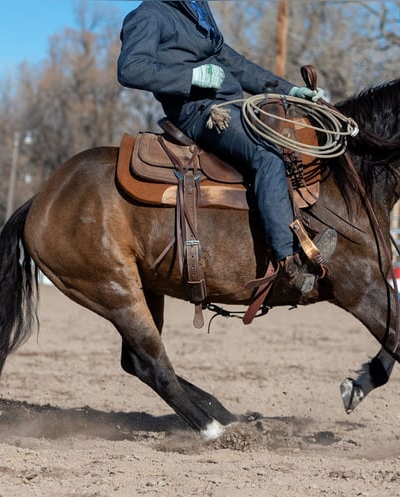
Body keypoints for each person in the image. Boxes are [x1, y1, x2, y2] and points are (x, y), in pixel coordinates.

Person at [117, 0, 336, 293]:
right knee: (267, 155)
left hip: (231, 104)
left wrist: (290, 91)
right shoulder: (149, 14)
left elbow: (234, 62)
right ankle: (289, 261)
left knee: (292, 141)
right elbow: (131, 68)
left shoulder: (197, 9)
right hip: (201, 111)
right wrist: (191, 78)